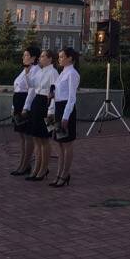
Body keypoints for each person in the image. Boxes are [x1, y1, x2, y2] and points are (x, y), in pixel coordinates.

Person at [21, 49, 58, 181]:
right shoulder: (39, 71)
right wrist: (27, 72)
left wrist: (51, 111)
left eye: (43, 57)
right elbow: (31, 85)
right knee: (36, 137)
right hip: (37, 102)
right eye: (40, 56)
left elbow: (54, 93)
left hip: (46, 105)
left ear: (49, 59)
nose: (40, 59)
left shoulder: (53, 72)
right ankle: (36, 167)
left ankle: (44, 168)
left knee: (45, 138)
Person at [49, 47, 80, 188]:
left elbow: (72, 98)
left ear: (70, 58)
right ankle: (59, 173)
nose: (59, 59)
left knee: (66, 144)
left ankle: (65, 174)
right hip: (59, 108)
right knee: (59, 143)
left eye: (62, 57)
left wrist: (66, 117)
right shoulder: (62, 73)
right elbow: (59, 93)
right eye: (59, 57)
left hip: (66, 110)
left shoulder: (72, 74)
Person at [10, 45, 40, 176]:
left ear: (33, 58)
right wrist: (13, 107)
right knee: (22, 136)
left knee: (28, 136)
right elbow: (17, 88)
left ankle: (26, 163)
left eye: (26, 55)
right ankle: (23, 163)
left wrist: (25, 107)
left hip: (25, 104)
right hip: (18, 103)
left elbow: (31, 90)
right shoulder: (25, 70)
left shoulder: (35, 70)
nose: (24, 57)